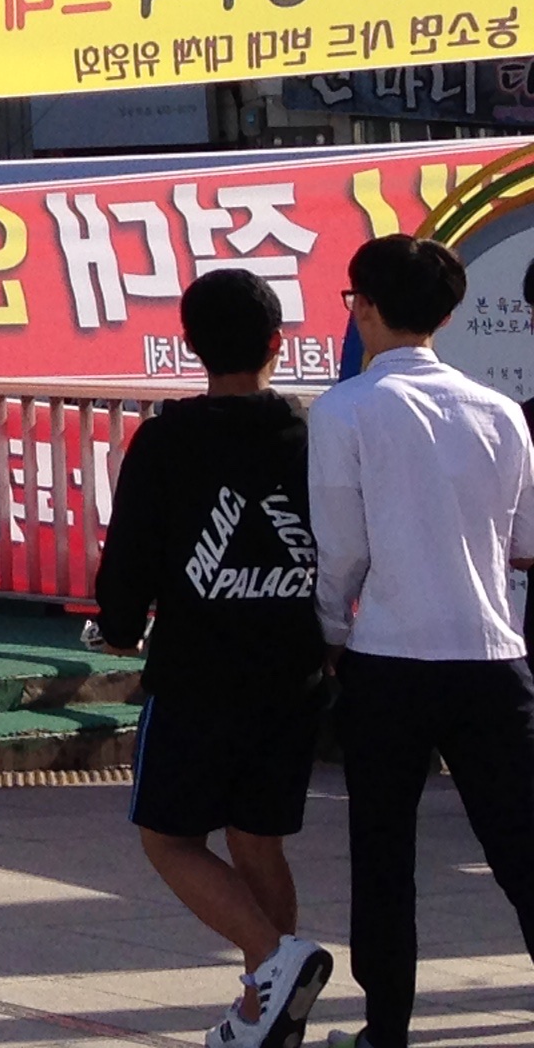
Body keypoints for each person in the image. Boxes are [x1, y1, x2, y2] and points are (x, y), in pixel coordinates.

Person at [97, 267, 333, 1048]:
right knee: (258, 839)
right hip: (294, 670)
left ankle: (275, 960)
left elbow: (129, 557)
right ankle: (269, 1010)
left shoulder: (167, 441)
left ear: (191, 347)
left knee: (169, 838)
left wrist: (120, 627)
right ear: (277, 344)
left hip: (197, 674)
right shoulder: (314, 436)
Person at [309, 232, 534, 1048]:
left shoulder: (345, 409)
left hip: (390, 661)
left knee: (383, 857)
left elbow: (341, 550)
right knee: (522, 850)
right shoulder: (501, 412)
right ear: (445, 314)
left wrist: (331, 634)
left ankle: (385, 1031)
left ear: (365, 306)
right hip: (493, 658)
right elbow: (523, 543)